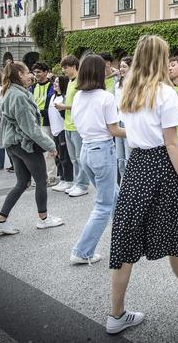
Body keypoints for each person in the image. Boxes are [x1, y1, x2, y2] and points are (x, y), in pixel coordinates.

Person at [106, 35, 178, 335]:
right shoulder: (165, 93)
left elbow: (123, 130)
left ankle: (116, 314)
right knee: (174, 227)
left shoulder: (127, 90)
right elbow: (172, 144)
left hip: (136, 165)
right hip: (161, 165)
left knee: (125, 236)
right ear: (160, 59)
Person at [0, 62, 62, 235]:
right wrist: (50, 145)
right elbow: (30, 128)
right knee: (41, 180)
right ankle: (44, 219)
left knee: (23, 182)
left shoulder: (8, 92)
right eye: (28, 72)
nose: (31, 75)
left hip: (14, 144)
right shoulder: (19, 96)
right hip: (25, 144)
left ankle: (1, 220)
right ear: (20, 74)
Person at [70, 55, 126, 264]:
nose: (109, 69)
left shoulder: (78, 96)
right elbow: (113, 130)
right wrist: (138, 131)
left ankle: (125, 236)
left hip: (87, 150)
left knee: (114, 196)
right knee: (103, 204)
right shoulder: (105, 97)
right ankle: (82, 251)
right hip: (102, 151)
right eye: (105, 68)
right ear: (98, 72)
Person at [55, 55, 90, 197]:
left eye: (66, 67)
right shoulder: (70, 82)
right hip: (68, 125)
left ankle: (83, 185)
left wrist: (64, 107)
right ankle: (77, 183)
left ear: (74, 66)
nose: (64, 70)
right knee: (74, 158)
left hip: (77, 125)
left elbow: (82, 105)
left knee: (80, 157)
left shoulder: (80, 81)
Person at [31, 62, 58, 186]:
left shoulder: (51, 86)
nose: (36, 74)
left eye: (39, 72)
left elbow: (50, 104)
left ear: (46, 72)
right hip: (35, 122)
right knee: (36, 151)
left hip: (46, 122)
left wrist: (40, 112)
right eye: (35, 72)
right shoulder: (33, 87)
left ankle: (51, 176)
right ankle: (40, 176)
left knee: (48, 150)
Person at [49, 76, 74, 192]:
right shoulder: (53, 96)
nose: (55, 84)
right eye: (55, 82)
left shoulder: (64, 98)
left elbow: (65, 114)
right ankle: (62, 179)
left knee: (65, 156)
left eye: (58, 82)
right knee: (57, 157)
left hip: (62, 130)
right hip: (54, 130)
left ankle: (69, 180)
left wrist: (62, 110)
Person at [114, 56, 133, 182]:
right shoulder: (117, 85)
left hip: (129, 123)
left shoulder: (135, 85)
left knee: (128, 157)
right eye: (120, 66)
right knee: (120, 158)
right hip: (118, 121)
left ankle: (130, 184)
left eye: (124, 66)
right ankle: (122, 186)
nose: (121, 69)